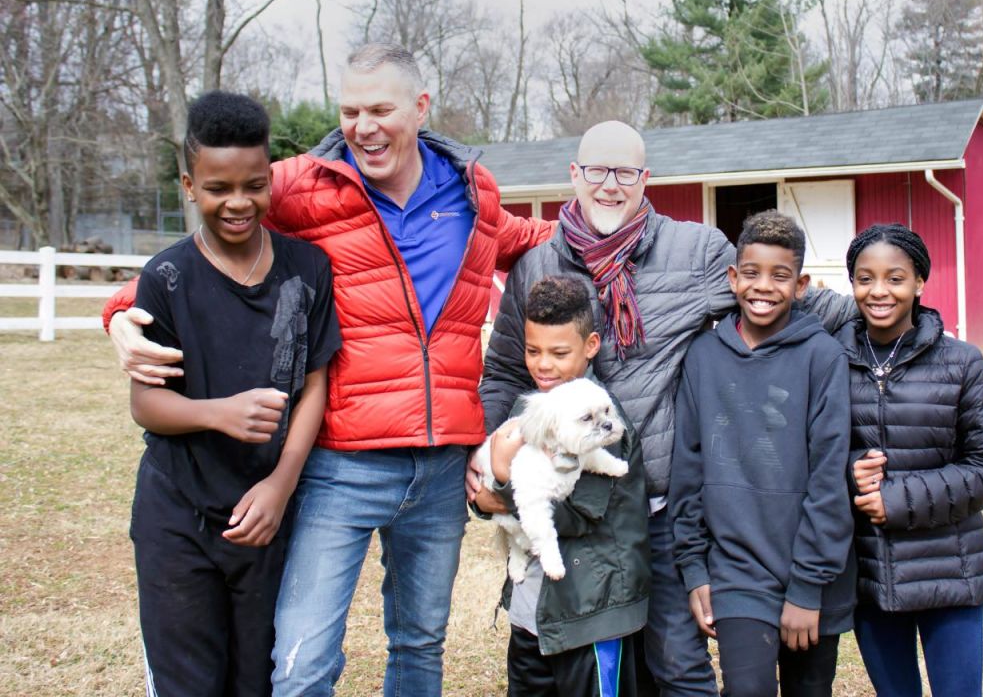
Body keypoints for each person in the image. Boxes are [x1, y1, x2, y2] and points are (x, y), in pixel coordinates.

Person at [103, 43, 554, 696]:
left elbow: (519, 239)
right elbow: (204, 241)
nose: (363, 127)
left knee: (421, 646)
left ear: (420, 108)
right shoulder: (301, 184)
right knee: (304, 659)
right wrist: (119, 310)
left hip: (441, 465)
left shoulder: (470, 187)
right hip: (343, 463)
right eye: (350, 111)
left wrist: (615, 228)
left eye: (380, 109)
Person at [474, 121, 857, 696]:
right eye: (596, 171)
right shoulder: (537, 265)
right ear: (574, 175)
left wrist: (890, 315)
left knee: (676, 663)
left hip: (659, 502)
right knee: (580, 663)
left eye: (624, 173)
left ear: (644, 179)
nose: (609, 185)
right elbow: (504, 371)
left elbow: (786, 295)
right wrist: (491, 460)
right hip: (575, 502)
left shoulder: (696, 252)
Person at [127, 91, 342, 696]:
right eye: (219, 188)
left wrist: (281, 483)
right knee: (189, 682)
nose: (238, 203)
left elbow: (315, 384)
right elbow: (146, 404)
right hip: (179, 516)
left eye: (253, 184)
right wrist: (217, 413)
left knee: (259, 680)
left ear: (270, 179)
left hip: (265, 516)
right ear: (190, 185)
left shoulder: (307, 270)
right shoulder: (167, 279)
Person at [668, 211, 855, 697]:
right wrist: (694, 570)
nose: (763, 287)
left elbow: (829, 477)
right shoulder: (703, 357)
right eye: (751, 273)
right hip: (736, 573)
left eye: (780, 275)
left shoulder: (823, 357)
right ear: (733, 278)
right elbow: (687, 470)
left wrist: (808, 587)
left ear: (802, 285)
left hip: (813, 577)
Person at [841, 223, 983, 697]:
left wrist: (896, 498)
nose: (879, 291)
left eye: (895, 278)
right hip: (871, 577)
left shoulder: (961, 362)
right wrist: (849, 474)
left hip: (950, 574)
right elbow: (809, 451)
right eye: (865, 278)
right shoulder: (830, 359)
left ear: (919, 283)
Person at [477, 276, 650, 696]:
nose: (543, 365)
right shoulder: (529, 407)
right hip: (532, 612)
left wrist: (499, 490)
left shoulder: (604, 422)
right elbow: (493, 484)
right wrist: (490, 491)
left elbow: (575, 514)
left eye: (558, 353)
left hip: (589, 614)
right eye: (533, 351)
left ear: (590, 345)